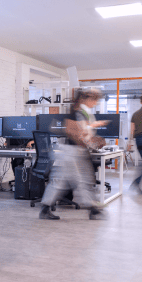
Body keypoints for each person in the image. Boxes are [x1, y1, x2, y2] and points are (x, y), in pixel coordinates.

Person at [38, 88, 108, 220]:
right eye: (94, 100)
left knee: (75, 181)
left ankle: (46, 208)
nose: (96, 103)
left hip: (76, 152)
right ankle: (93, 210)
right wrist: (89, 142)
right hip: (71, 153)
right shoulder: (75, 113)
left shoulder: (83, 113)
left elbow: (84, 133)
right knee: (79, 182)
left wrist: (94, 140)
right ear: (85, 99)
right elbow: (71, 132)